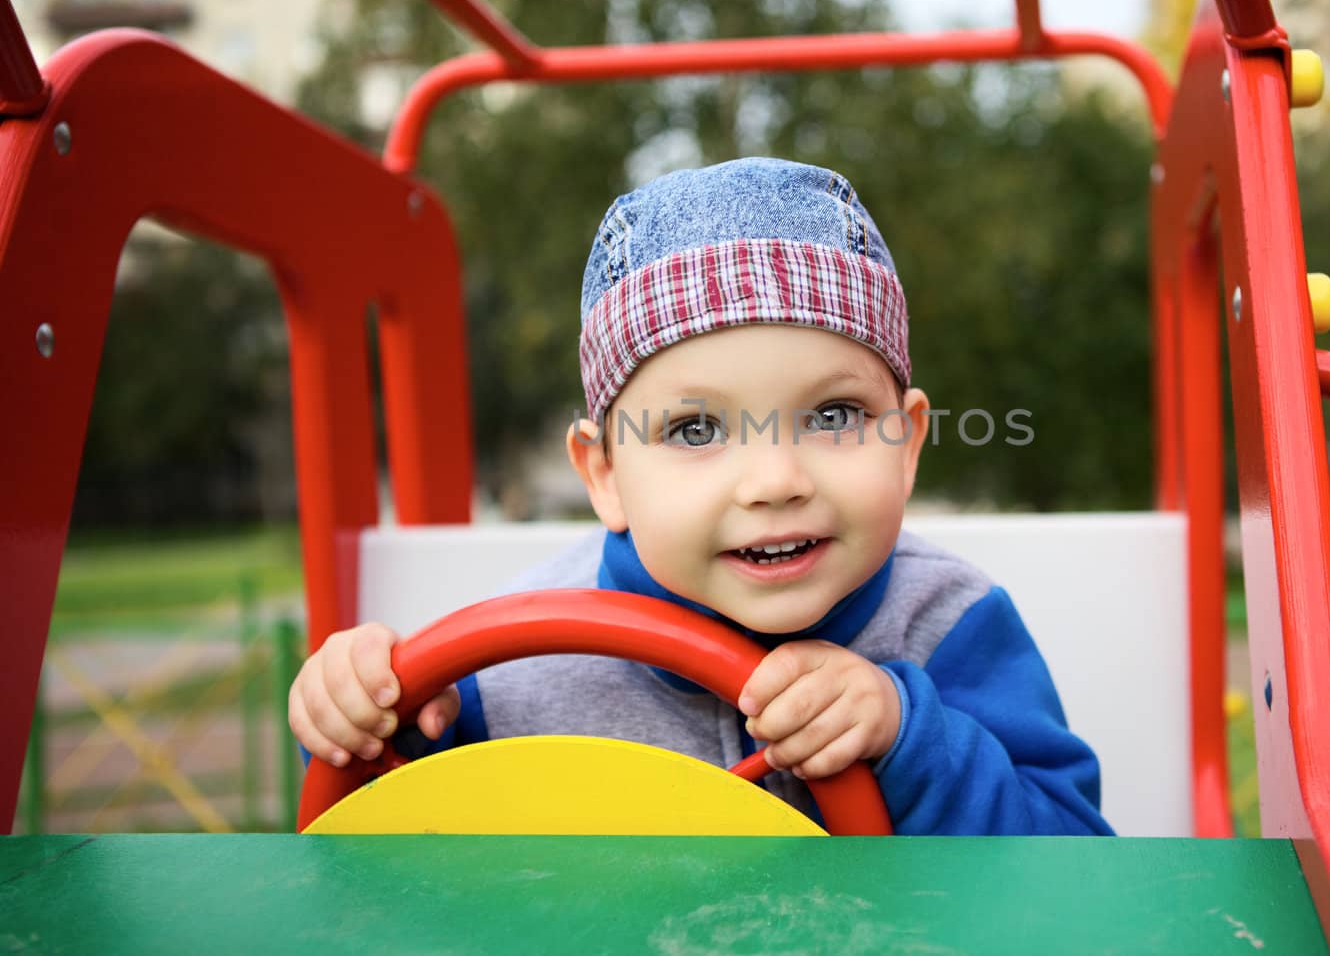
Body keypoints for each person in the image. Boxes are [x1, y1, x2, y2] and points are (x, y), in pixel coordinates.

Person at [288, 157, 1112, 836]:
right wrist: (363, 725)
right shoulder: (507, 667)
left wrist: (908, 736)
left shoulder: (950, 624)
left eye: (834, 415)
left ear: (907, 443)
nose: (776, 480)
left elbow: (1071, 864)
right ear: (604, 474)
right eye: (693, 430)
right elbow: (391, 868)